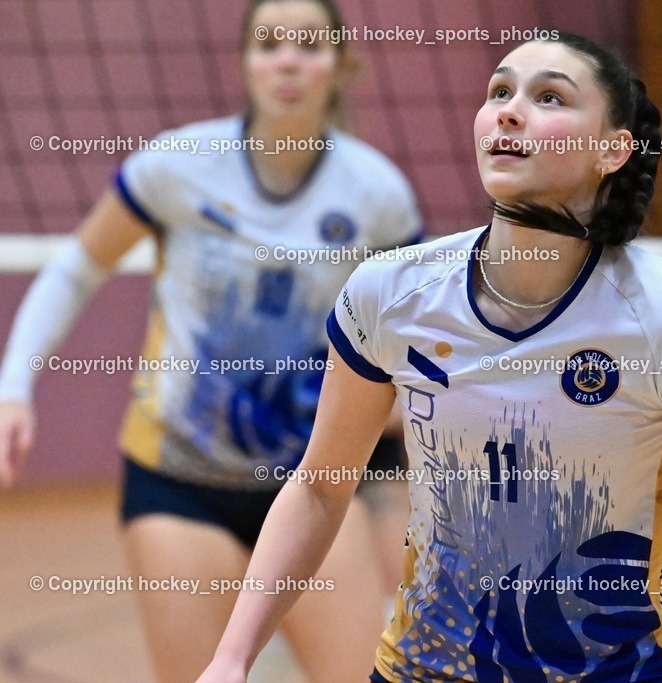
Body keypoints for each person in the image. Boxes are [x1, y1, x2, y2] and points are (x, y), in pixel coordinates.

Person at [198, 33, 662, 683]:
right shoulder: (390, 293)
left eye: (549, 96)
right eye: (499, 92)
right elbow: (320, 488)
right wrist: (231, 657)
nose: (510, 111)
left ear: (613, 148)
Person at [0, 1, 420, 681]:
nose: (287, 60)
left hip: (311, 482)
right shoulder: (177, 166)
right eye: (269, 43)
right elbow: (78, 267)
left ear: (340, 66)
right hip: (179, 485)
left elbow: (413, 333)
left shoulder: (376, 194)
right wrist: (13, 388)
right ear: (245, 61)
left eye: (308, 45)